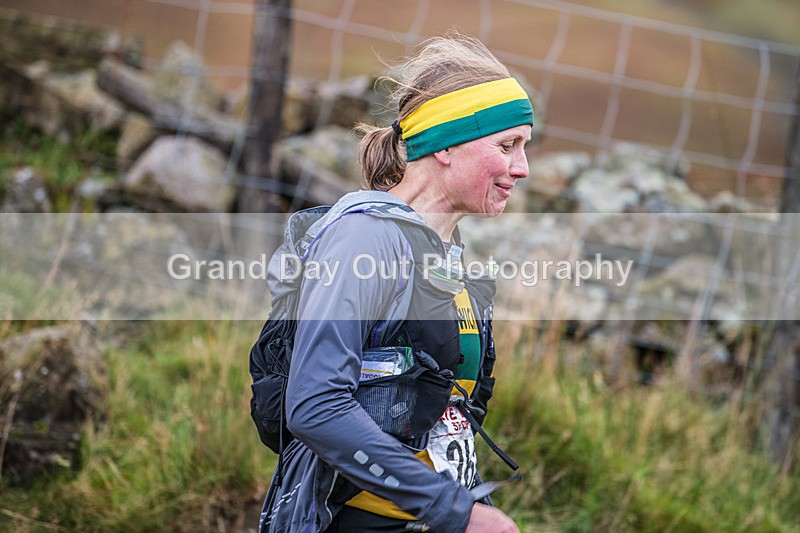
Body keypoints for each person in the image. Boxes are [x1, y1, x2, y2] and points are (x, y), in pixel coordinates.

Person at [258, 34, 532, 533]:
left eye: (524, 147)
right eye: (507, 145)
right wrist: (458, 513)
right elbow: (315, 405)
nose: (522, 168)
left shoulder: (449, 257)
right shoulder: (365, 240)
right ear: (447, 145)